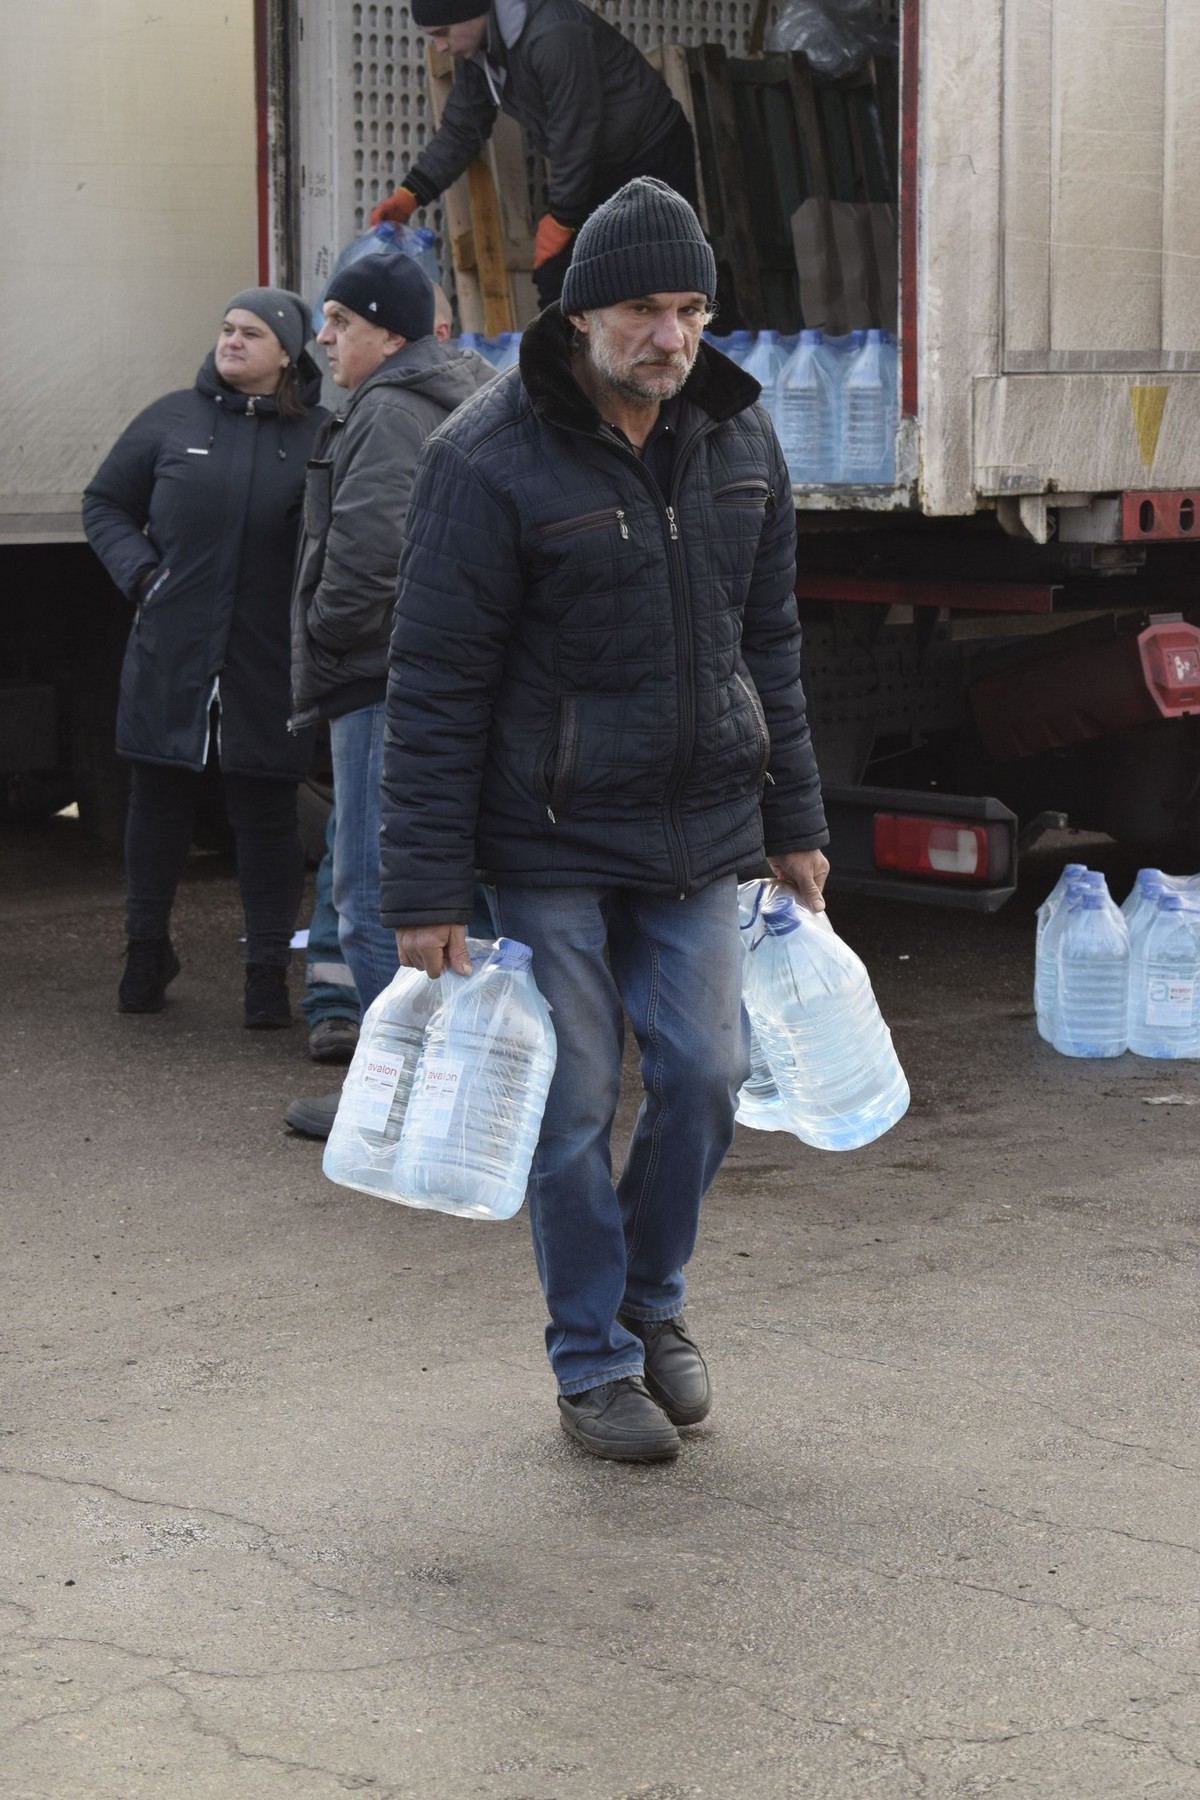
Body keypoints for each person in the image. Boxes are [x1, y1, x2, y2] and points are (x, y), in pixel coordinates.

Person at [378, 179, 830, 1463]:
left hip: (700, 829)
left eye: (690, 310)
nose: (672, 337)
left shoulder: (739, 440)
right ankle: (592, 1362)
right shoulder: (485, 457)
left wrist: (795, 817)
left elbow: (772, 645)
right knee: (571, 1101)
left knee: (706, 1077)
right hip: (550, 835)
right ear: (581, 316)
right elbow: (436, 679)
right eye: (644, 309)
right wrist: (419, 888)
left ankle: (650, 1302)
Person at [285, 252, 493, 1138]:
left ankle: (398, 1099)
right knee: (464, 894)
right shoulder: (470, 394)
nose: (324, 337)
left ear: (391, 333)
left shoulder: (389, 411)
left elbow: (368, 560)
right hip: (447, 680)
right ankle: (469, 1090)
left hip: (379, 684)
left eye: (340, 321)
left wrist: (326, 638)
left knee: (379, 893)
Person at [83, 289, 327, 1025]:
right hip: (173, 647)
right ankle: (144, 956)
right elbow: (105, 504)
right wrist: (143, 575)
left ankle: (263, 978)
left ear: (288, 353)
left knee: (264, 816)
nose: (232, 342)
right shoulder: (171, 419)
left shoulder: (318, 435)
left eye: (251, 333)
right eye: (226, 329)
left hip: (264, 659)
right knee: (155, 805)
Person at [370, 0, 698, 307]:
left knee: (666, 269)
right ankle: (568, 364)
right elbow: (462, 129)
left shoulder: (553, 34)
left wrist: (563, 217)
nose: (439, 46)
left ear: (473, 10)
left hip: (651, 147)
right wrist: (411, 193)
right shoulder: (479, 53)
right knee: (561, 277)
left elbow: (577, 129)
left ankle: (722, 347)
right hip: (595, 162)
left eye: (442, 33)